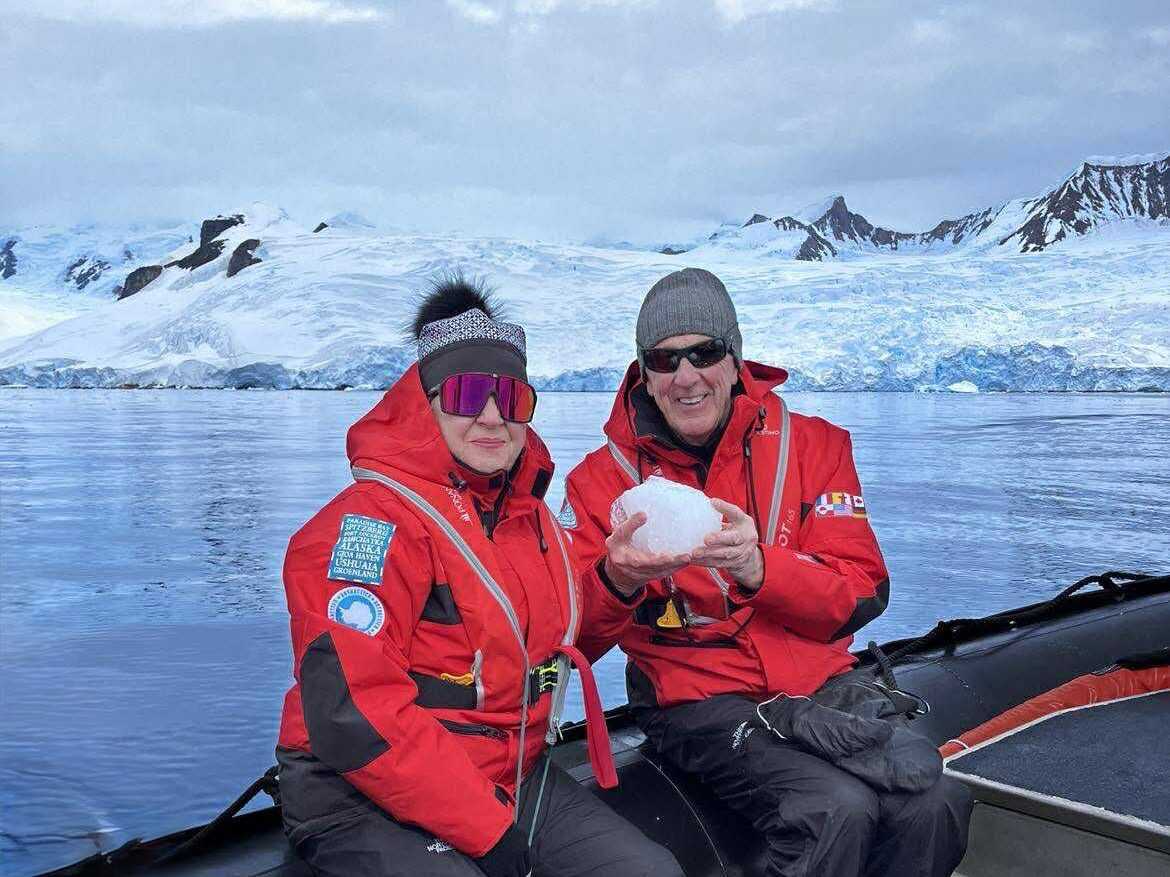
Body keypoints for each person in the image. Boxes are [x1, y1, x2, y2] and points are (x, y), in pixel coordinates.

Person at [562, 267, 973, 877]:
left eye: (705, 353)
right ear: (643, 375)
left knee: (934, 803)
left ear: (735, 360)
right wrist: (616, 581)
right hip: (694, 700)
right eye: (665, 360)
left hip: (817, 683)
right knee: (834, 808)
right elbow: (569, 637)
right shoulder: (598, 484)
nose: (686, 377)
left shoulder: (817, 447)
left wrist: (760, 568)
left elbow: (863, 591)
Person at [275, 276, 683, 877]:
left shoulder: (531, 521)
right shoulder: (369, 526)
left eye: (511, 398)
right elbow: (353, 715)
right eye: (469, 394)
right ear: (427, 403)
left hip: (507, 772)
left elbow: (560, 651)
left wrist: (618, 580)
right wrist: (489, 833)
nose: (493, 417)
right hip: (361, 792)